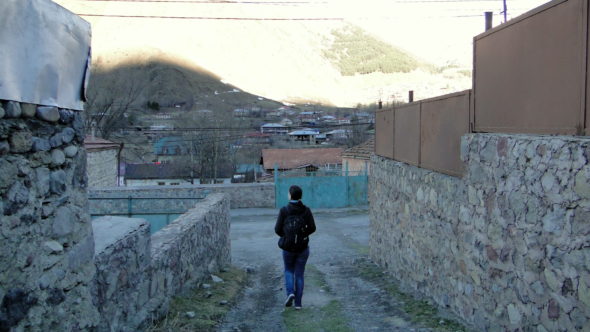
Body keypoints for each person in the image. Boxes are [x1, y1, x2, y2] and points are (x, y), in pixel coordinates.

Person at [275, 185, 316, 310]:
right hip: (303, 248)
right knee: (299, 274)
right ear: (300, 196)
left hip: (288, 248)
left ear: (290, 195)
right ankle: (298, 304)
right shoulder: (306, 210)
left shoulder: (284, 210)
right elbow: (313, 228)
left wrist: (287, 236)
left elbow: (277, 230)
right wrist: (303, 235)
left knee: (288, 270)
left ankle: (290, 293)